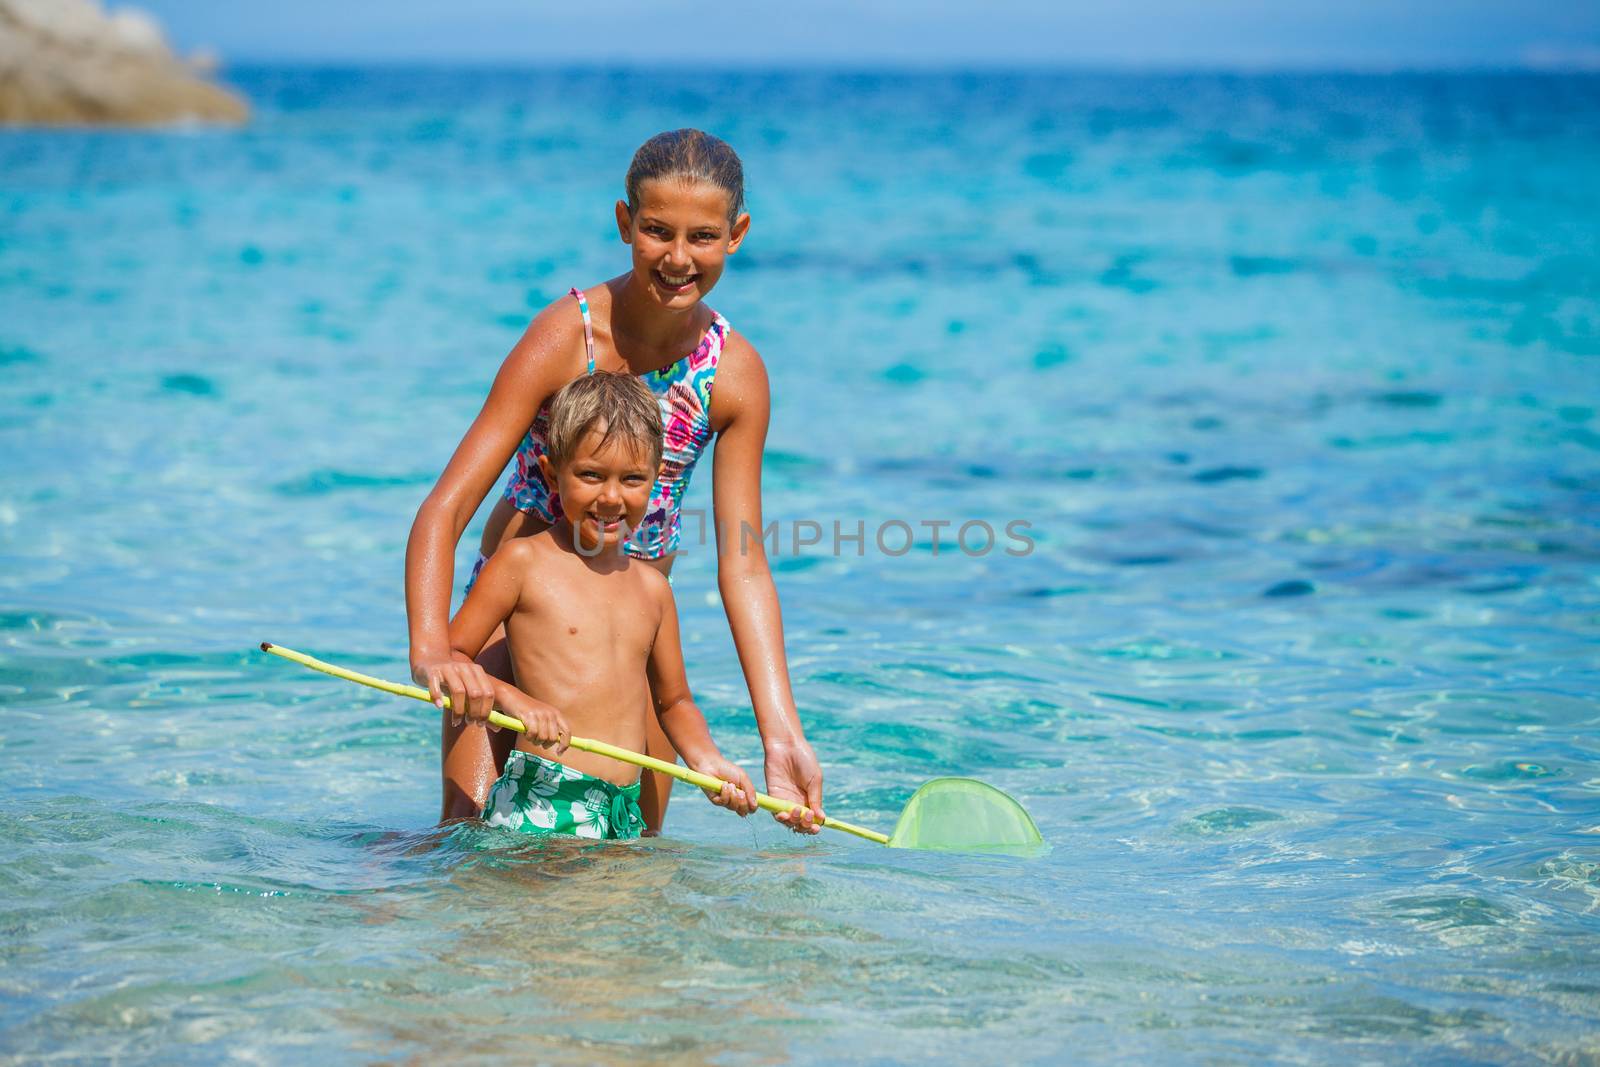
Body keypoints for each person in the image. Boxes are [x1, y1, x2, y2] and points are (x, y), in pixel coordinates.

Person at [406, 128, 825, 834]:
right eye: (657, 231)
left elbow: (745, 562)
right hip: (514, 627)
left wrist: (780, 734)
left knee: (640, 858)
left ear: (737, 235)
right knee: (467, 837)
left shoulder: (736, 375)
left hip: (628, 650)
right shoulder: (566, 337)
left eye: (702, 237)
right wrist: (432, 651)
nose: (678, 257)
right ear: (625, 222)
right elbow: (444, 508)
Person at [447, 372, 757, 839]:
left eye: (632, 479)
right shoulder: (522, 562)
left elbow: (673, 702)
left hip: (620, 811)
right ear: (554, 474)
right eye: (591, 475)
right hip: (541, 799)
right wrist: (516, 701)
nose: (611, 497)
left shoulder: (653, 591)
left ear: (655, 482)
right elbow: (451, 658)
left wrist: (708, 760)